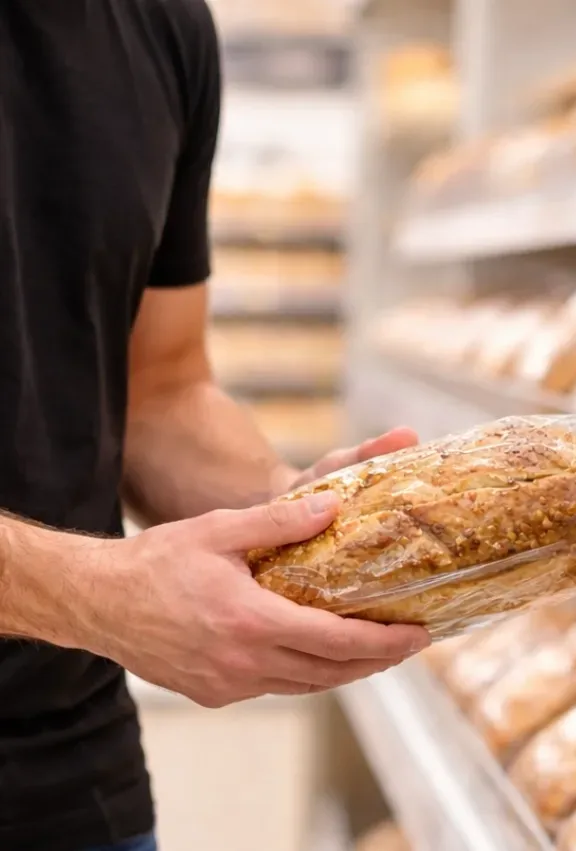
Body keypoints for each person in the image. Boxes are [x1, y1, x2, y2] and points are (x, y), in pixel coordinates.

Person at [0, 3, 432, 850]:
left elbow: (159, 386)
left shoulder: (163, 25)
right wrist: (95, 594)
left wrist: (292, 510)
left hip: (73, 779)